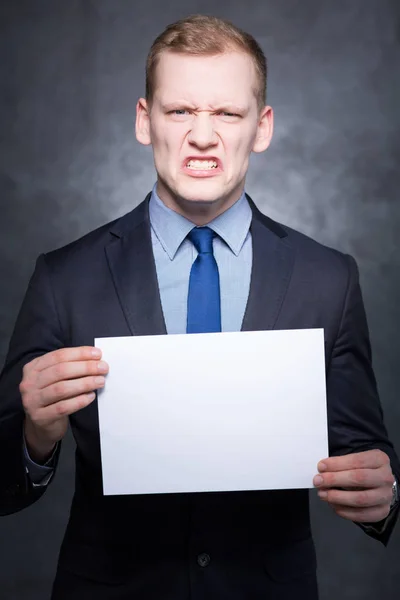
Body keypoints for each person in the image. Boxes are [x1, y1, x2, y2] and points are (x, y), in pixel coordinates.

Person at [0, 14, 399, 600]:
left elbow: (365, 455)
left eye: (227, 113)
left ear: (260, 128)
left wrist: (381, 495)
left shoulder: (328, 278)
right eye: (180, 110)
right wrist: (34, 435)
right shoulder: (65, 276)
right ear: (145, 121)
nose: (203, 135)